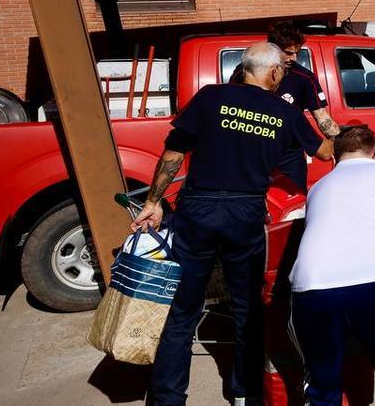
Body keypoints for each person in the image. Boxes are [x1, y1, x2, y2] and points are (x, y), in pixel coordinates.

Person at [133, 42, 333, 406]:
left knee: (183, 310)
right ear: (274, 72)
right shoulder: (283, 111)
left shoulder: (210, 97)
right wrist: (331, 129)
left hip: (197, 209)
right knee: (247, 307)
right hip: (246, 212)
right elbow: (323, 152)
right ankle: (245, 393)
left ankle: (167, 399)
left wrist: (152, 202)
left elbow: (174, 152)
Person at [289, 125, 375, 406]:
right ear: (374, 152)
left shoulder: (318, 188)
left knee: (323, 387)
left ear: (335, 157)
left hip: (312, 285)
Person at [266, 21, 341, 189]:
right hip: (255, 152)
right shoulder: (247, 72)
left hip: (289, 157)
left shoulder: (304, 77)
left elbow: (322, 116)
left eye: (297, 53)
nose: (294, 58)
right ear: (272, 49)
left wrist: (341, 145)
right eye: (288, 53)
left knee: (293, 198)